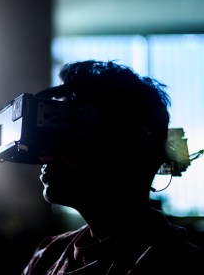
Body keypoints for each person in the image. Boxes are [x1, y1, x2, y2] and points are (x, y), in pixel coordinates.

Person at [20, 60, 204, 274]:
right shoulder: (49, 252)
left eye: (68, 136)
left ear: (127, 149)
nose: (47, 155)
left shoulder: (173, 263)